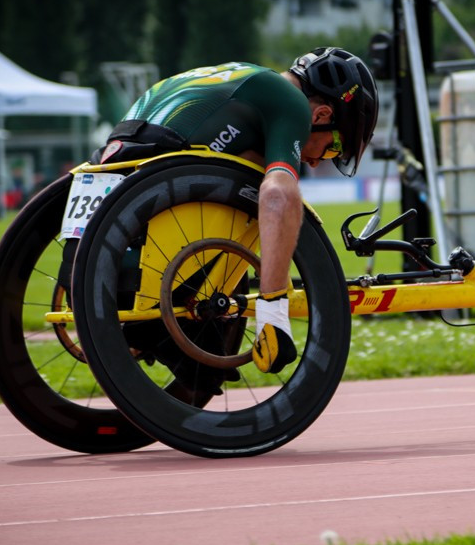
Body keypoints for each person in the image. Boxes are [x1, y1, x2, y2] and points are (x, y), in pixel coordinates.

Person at [119, 47, 379, 374]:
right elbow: (277, 196)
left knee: (252, 168)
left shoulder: (242, 75)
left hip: (118, 162)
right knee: (280, 192)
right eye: (334, 147)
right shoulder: (292, 102)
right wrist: (273, 314)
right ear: (322, 115)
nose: (317, 160)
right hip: (161, 181)